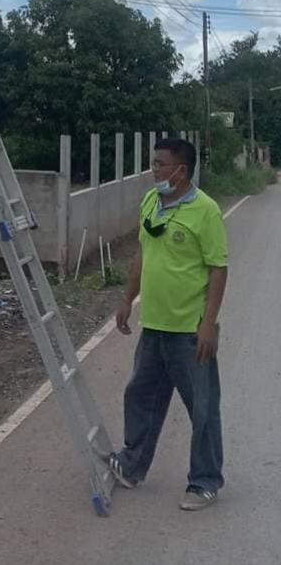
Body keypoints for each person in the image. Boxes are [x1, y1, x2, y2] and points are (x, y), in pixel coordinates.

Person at [110, 137, 228, 511]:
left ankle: (204, 482)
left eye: (161, 164)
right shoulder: (151, 201)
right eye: (154, 163)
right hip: (154, 325)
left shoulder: (205, 211)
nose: (154, 170)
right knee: (141, 397)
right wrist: (127, 299)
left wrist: (208, 324)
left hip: (188, 332)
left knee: (203, 408)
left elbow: (218, 269)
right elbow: (143, 255)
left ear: (182, 170)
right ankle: (132, 466)